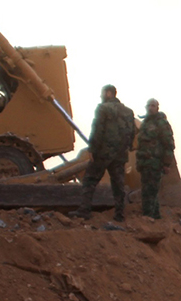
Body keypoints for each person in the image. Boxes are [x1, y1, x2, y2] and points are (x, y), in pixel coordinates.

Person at [71, 84, 135, 221]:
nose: (101, 96)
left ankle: (84, 210)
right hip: (120, 154)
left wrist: (92, 149)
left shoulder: (103, 109)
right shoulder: (128, 112)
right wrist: (126, 148)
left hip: (103, 153)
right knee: (118, 184)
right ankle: (119, 214)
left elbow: (98, 130)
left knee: (90, 179)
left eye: (103, 93)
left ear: (109, 93)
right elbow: (132, 132)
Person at [135, 98, 175, 220]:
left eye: (153, 106)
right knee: (147, 190)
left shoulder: (161, 123)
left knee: (150, 191)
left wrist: (167, 164)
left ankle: (148, 217)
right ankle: (156, 217)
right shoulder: (145, 123)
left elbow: (169, 144)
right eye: (148, 105)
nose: (150, 108)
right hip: (144, 163)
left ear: (157, 108)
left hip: (155, 163)